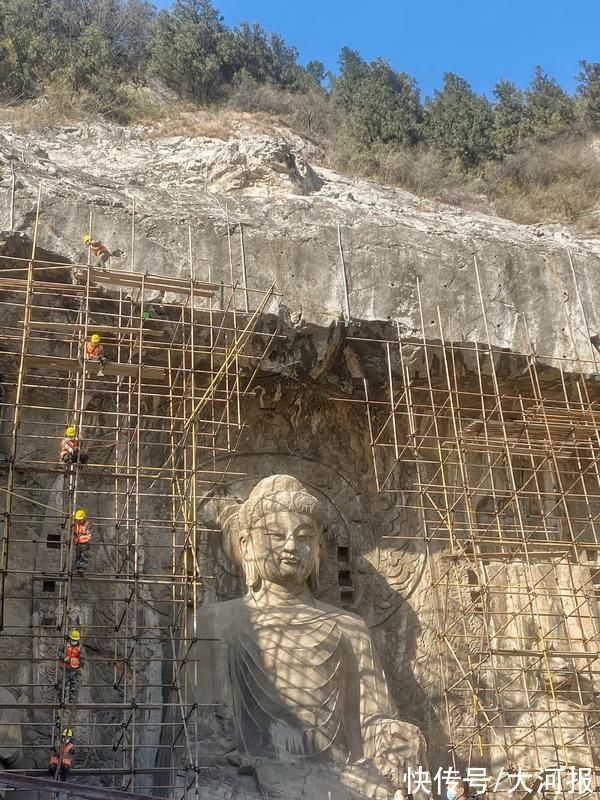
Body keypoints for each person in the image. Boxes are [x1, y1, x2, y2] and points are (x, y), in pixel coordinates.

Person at [188, 475, 426, 788]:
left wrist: (391, 735)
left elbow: (370, 721)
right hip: (252, 776)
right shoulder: (214, 622)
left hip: (343, 777)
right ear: (246, 546)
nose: (291, 546)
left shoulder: (349, 628)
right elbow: (201, 729)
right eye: (275, 534)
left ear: (317, 549)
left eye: (304, 537)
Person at [56, 630, 84, 705]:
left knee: (74, 687)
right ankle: (61, 701)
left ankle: (72, 703)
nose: (74, 641)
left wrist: (79, 664)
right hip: (65, 669)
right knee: (61, 686)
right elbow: (59, 652)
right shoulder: (65, 645)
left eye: (75, 640)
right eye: (73, 640)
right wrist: (64, 657)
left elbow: (82, 659)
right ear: (70, 639)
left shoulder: (80, 648)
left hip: (75, 670)